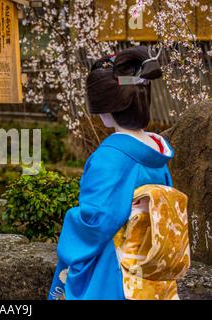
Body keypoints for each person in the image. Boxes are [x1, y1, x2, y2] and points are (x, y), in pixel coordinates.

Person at [47, 46, 190, 300]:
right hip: (148, 268)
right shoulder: (157, 151)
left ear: (105, 108)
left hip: (112, 272)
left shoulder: (110, 157)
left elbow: (96, 221)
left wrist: (72, 220)